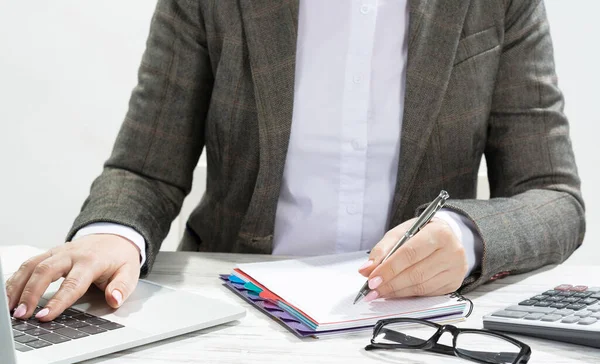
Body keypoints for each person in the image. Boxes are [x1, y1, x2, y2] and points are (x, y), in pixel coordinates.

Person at [6, 0, 585, 322]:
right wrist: (114, 233)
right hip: (232, 314)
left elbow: (554, 196)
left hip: (415, 322)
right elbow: (145, 167)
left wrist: (467, 235)